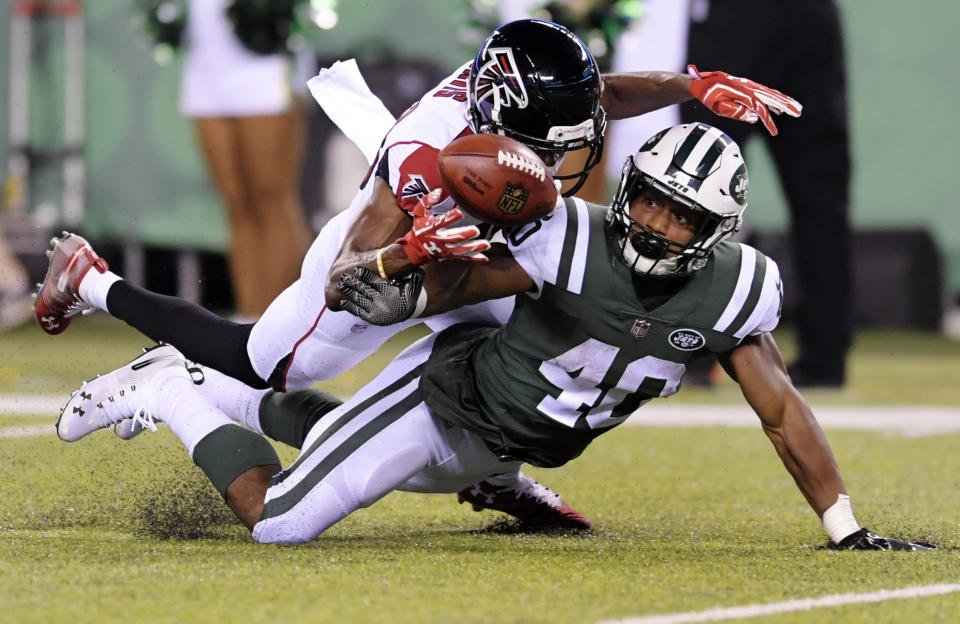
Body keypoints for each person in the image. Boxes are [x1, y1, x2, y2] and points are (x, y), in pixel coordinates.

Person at [34, 19, 800, 529]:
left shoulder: (518, 100)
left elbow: (601, 95)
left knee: (534, 349)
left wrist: (692, 87)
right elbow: (346, 280)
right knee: (260, 364)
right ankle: (96, 282)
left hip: (477, 262)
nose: (573, 154)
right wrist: (410, 249)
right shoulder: (419, 160)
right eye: (550, 143)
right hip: (391, 261)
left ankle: (497, 476)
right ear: (500, 121)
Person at [55, 123, 928, 549]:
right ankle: (172, 385)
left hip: (501, 444)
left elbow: (781, 411)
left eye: (679, 212)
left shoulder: (737, 295)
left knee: (331, 437)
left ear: (721, 229)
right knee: (280, 520)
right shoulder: (571, 236)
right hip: (452, 402)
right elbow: (459, 286)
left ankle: (215, 390)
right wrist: (396, 271)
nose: (654, 221)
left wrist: (845, 528)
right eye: (649, 197)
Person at [680, 0, 852, 387]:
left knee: (698, 179)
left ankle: (684, 347)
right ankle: (826, 358)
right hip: (813, 18)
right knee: (821, 199)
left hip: (735, 20)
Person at [178, 0, 313, 318]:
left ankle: (277, 323)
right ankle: (247, 319)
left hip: (266, 60)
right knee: (236, 202)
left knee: (270, 197)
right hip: (206, 59)